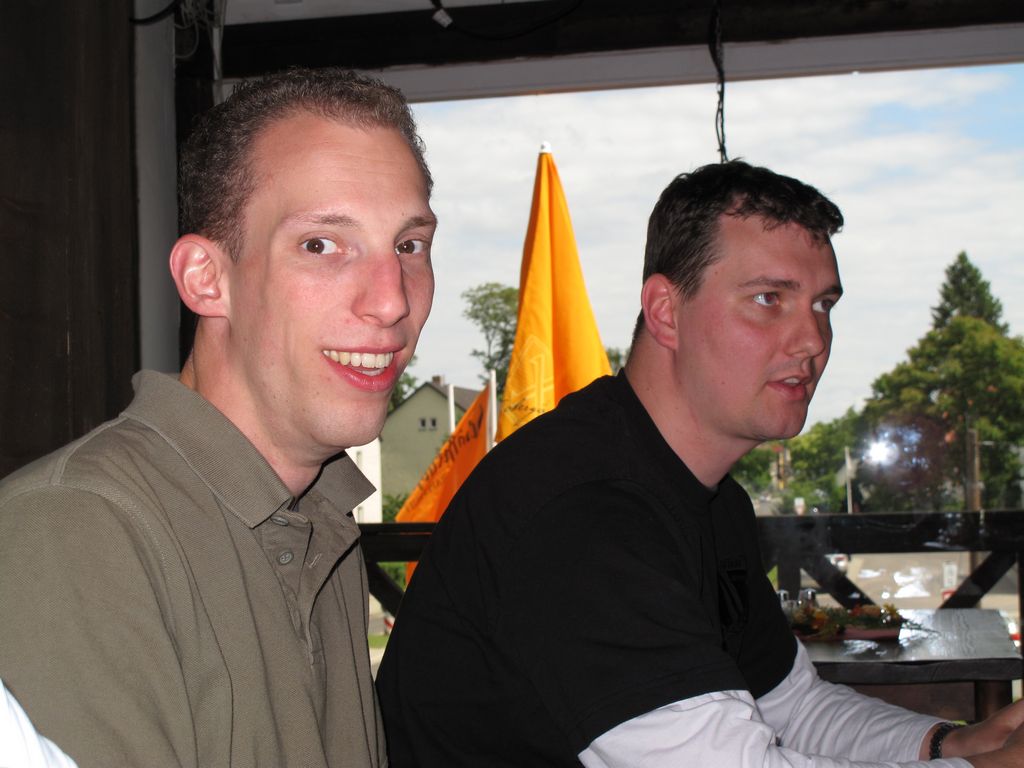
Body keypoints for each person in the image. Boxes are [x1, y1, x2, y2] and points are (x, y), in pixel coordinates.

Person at [376, 160, 1024, 767]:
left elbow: (791, 707)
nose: (813, 340)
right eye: (769, 298)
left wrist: (953, 742)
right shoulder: (583, 509)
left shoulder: (713, 500)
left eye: (823, 305)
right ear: (666, 312)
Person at [0, 68, 436, 768]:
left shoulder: (315, 519)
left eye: (409, 246)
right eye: (321, 245)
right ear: (207, 278)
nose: (392, 301)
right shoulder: (76, 531)